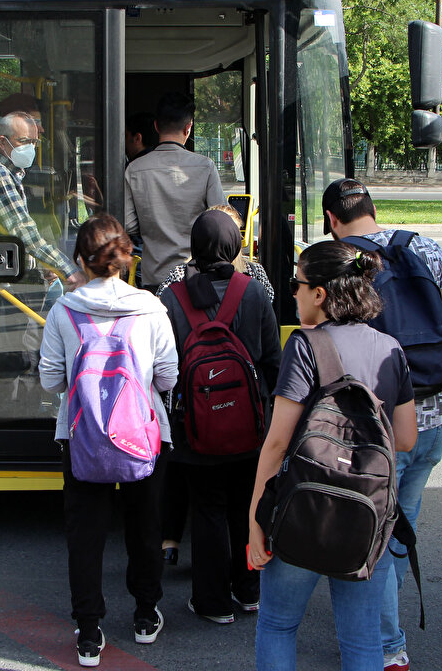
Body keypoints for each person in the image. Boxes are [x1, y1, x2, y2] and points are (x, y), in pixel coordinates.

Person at [321, 177, 442, 671]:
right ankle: (383, 627)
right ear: (373, 207)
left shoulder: (343, 262)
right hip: (432, 412)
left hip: (377, 424)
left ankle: (386, 644)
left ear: (332, 220)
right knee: (404, 522)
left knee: (374, 534)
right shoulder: (426, 248)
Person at [248, 239, 416, 671]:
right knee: (361, 639)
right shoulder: (390, 348)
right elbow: (406, 438)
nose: (294, 294)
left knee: (278, 624)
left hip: (303, 508)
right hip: (366, 515)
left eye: (297, 285)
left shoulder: (305, 346)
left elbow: (277, 443)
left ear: (320, 294)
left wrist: (255, 521)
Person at [38, 213, 178, 667]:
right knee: (145, 526)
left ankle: (88, 631)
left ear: (81, 260)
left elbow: (51, 380)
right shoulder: (151, 308)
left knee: (85, 533)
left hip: (81, 434)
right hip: (143, 435)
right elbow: (167, 377)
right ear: (127, 257)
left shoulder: (64, 310)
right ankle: (145, 615)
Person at [158, 209, 280, 624]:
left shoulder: (172, 298)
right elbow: (272, 361)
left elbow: (163, 370)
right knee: (246, 505)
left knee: (207, 509)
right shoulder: (254, 292)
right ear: (235, 244)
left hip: (194, 429)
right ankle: (248, 591)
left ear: (193, 246)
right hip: (249, 427)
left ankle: (212, 603)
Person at [124, 93, 224, 290]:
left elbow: (129, 224)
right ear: (188, 128)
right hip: (195, 275)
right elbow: (220, 222)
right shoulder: (205, 167)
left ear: (156, 126)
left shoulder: (134, 169)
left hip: (154, 276)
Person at [0, 110, 85, 290]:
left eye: (34, 142)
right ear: (2, 142)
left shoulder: (13, 172)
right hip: (7, 278)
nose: (31, 148)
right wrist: (68, 270)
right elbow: (23, 231)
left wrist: (45, 265)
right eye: (24, 141)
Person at [156, 204, 275, 302]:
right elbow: (267, 310)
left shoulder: (180, 275)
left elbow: (162, 305)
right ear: (236, 239)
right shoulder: (255, 274)